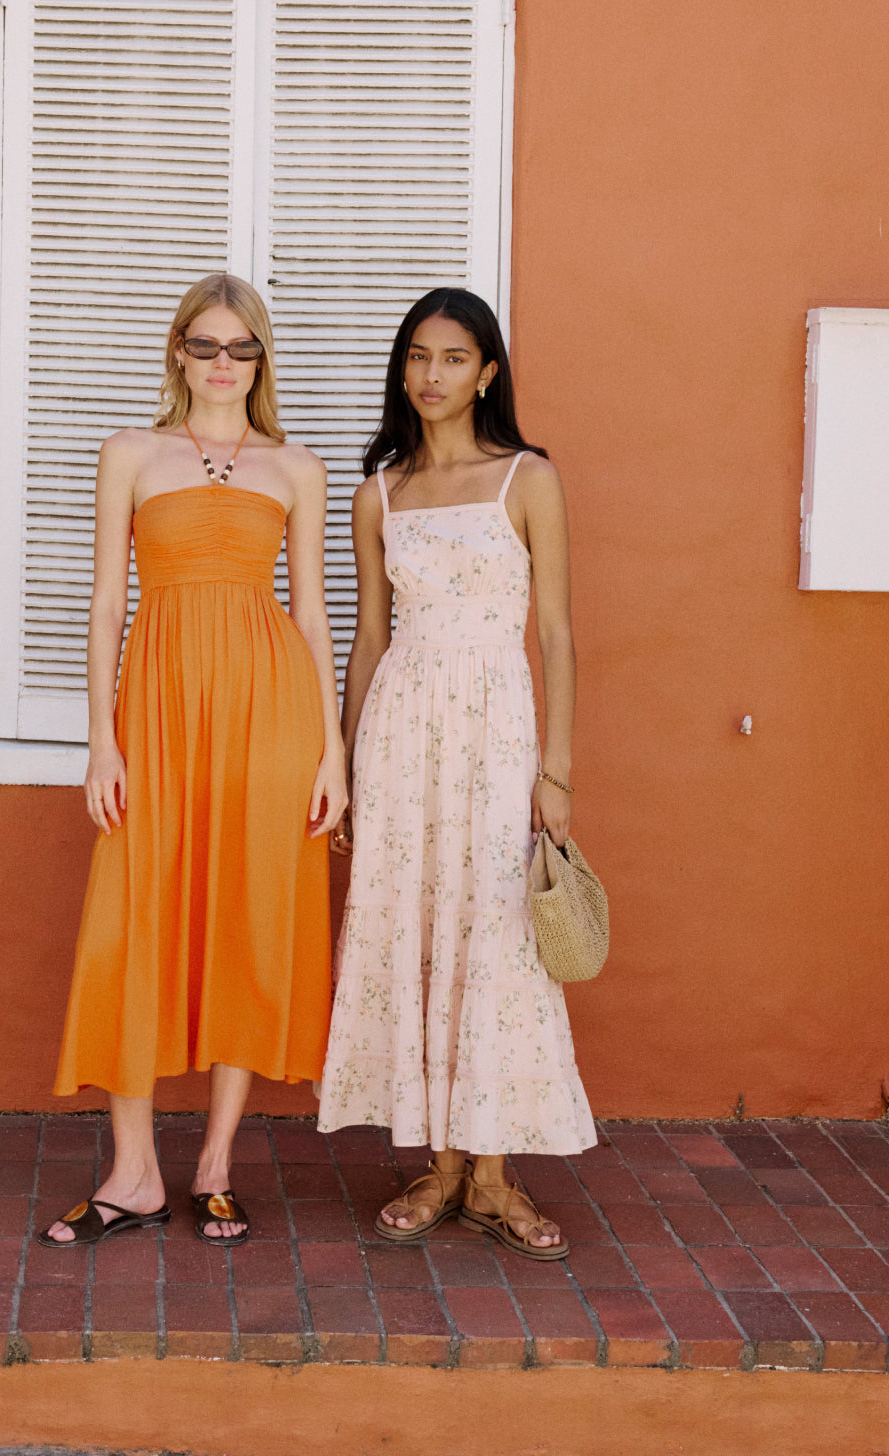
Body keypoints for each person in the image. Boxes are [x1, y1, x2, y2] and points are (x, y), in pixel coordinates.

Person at [44, 274, 347, 1249]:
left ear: (260, 361)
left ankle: (215, 1166)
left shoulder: (295, 466)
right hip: (159, 712)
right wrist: (101, 736)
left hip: (270, 717)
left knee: (248, 920)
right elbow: (105, 604)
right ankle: (132, 1174)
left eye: (241, 347)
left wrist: (330, 750)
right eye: (205, 344)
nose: (223, 362)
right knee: (131, 923)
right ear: (178, 351)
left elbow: (308, 611)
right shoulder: (129, 453)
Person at [317, 288, 595, 1258]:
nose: (431, 375)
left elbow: (555, 633)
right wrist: (345, 768)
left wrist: (554, 769)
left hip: (496, 732)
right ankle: (440, 1165)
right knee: (417, 925)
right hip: (401, 733)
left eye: (452, 357)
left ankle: (493, 1173)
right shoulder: (377, 492)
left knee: (494, 935)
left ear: (486, 372)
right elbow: (367, 640)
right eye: (417, 357)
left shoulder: (528, 478)